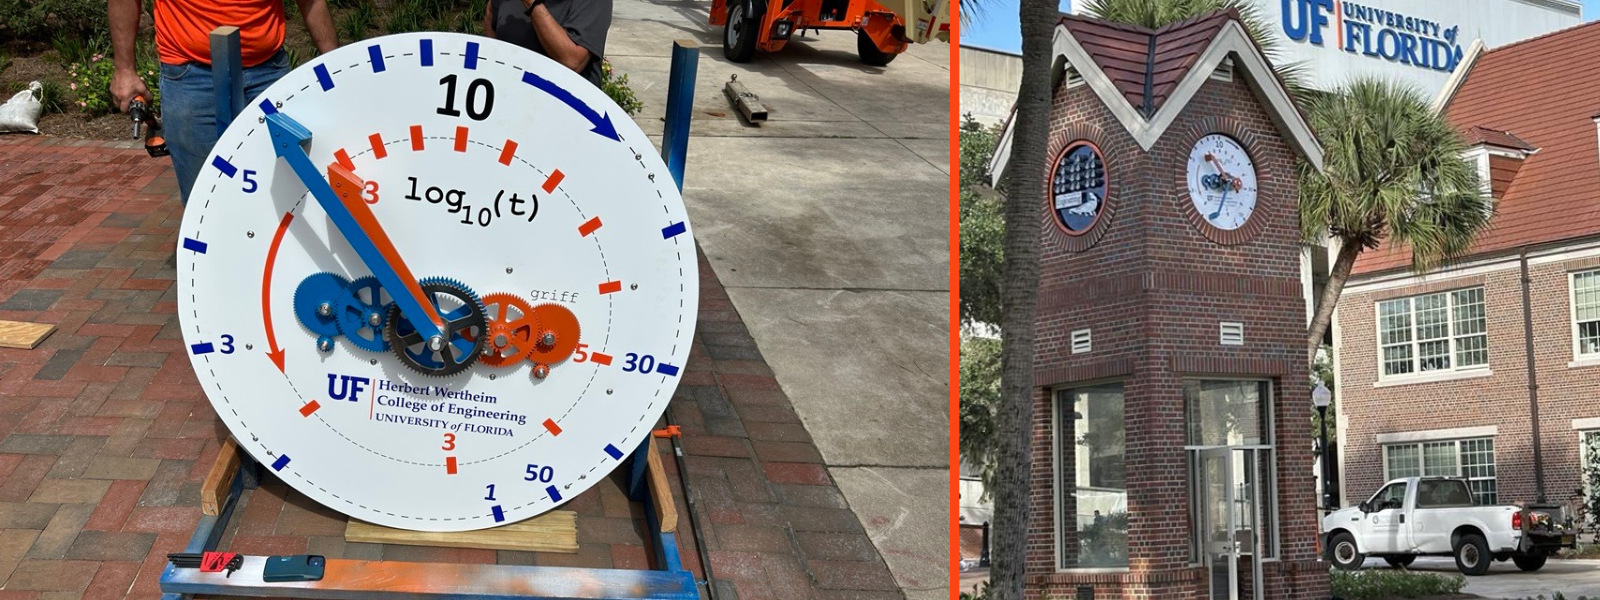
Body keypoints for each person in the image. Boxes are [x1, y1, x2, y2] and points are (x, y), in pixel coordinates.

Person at [109, 0, 339, 205]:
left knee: (289, 189)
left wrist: (336, 66)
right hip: (192, 77)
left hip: (268, 71)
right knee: (205, 195)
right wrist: (125, 70)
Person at [484, 0, 612, 88]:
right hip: (515, 107)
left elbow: (572, 61)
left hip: (564, 114)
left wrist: (532, 3)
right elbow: (491, 16)